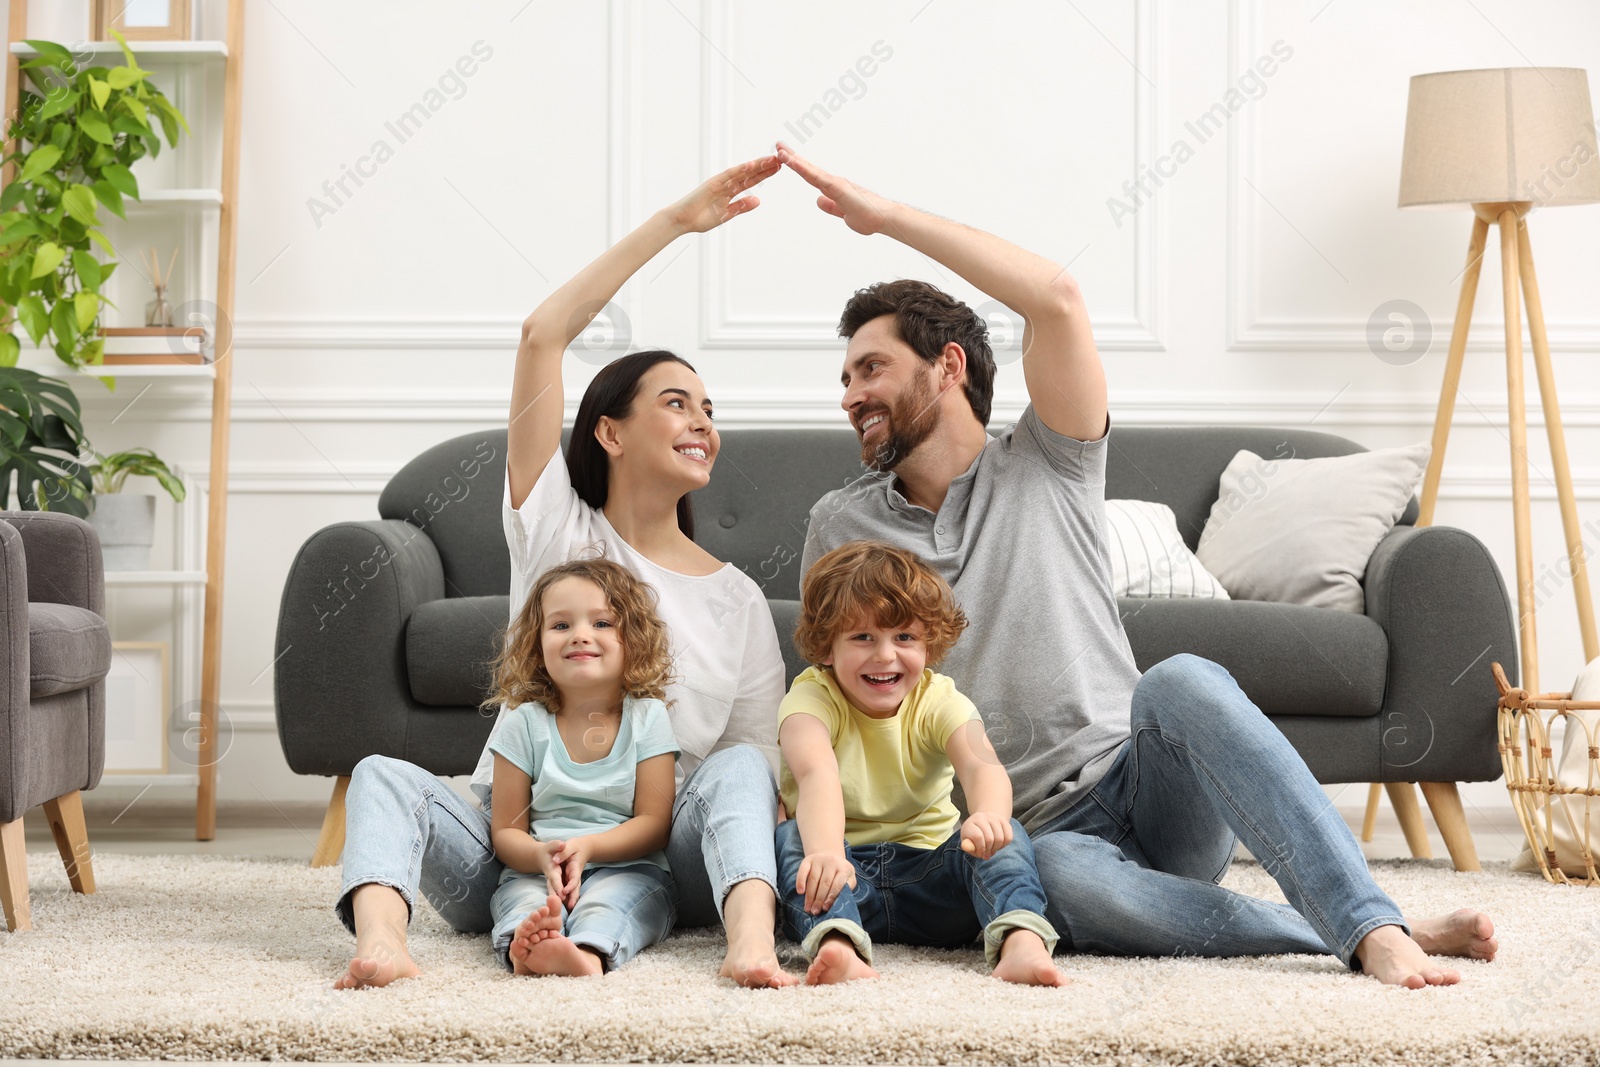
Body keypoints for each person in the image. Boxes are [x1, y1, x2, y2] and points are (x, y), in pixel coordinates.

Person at [779, 142, 1500, 989]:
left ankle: (1370, 926)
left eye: (871, 368)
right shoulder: (841, 522)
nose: (851, 394)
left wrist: (886, 218)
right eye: (844, 377)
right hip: (1027, 832)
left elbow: (1057, 299)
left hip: (1142, 778)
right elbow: (834, 699)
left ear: (948, 366)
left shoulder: (1049, 459)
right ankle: (1372, 926)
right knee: (1060, 879)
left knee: (1185, 679)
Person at [335, 155, 799, 989]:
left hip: (658, 854)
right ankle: (381, 943)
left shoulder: (735, 599)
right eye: (676, 402)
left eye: (708, 409)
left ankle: (751, 945)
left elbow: (755, 765)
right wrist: (676, 223)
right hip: (515, 843)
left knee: (737, 769)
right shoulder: (558, 528)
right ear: (611, 433)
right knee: (380, 776)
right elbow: (542, 334)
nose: (702, 422)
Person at [776, 540, 1065, 987]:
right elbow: (817, 775)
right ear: (827, 647)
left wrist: (987, 817)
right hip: (846, 876)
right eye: (862, 637)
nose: (886, 655)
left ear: (928, 646)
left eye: (904, 637)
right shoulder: (810, 699)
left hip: (932, 877)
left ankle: (1020, 939)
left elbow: (982, 767)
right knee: (793, 839)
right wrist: (829, 854)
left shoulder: (939, 699)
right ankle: (837, 941)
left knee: (1007, 834)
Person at [487, 557, 679, 976]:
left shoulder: (647, 717)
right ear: (536, 646)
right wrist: (540, 857)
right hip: (539, 872)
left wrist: (589, 847)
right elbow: (504, 830)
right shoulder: (524, 722)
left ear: (634, 639)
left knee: (612, 904)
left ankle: (588, 955)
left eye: (602, 623)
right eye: (560, 625)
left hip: (628, 867)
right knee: (525, 904)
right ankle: (527, 950)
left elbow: (655, 821)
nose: (580, 636)